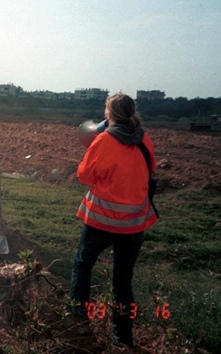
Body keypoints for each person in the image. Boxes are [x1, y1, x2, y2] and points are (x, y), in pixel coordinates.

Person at [68, 92, 158, 347]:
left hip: (102, 221)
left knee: (82, 266)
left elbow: (84, 176)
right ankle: (124, 338)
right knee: (122, 280)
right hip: (134, 224)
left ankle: (76, 326)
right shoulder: (144, 140)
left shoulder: (104, 140)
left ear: (109, 114)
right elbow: (150, 173)